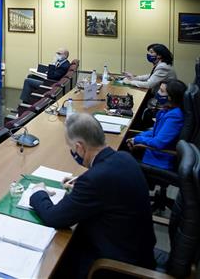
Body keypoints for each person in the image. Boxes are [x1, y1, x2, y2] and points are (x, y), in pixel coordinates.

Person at [29, 113, 156, 279]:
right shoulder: (124, 157)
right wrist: (83, 181)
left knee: (51, 263)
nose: (72, 152)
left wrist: (39, 193)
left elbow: (54, 217)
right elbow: (107, 182)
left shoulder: (95, 179)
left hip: (117, 266)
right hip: (139, 251)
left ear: (80, 147)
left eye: (71, 147)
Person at [127, 79, 187, 170]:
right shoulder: (167, 110)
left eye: (162, 91)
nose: (158, 92)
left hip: (159, 158)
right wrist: (137, 137)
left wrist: (138, 139)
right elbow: (155, 132)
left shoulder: (175, 116)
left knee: (119, 154)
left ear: (170, 97)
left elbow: (159, 143)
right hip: (151, 150)